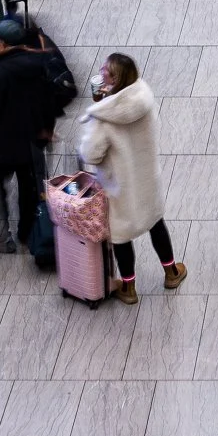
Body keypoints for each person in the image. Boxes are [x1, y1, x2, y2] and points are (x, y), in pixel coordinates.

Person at [77, 52, 185, 302]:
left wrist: (99, 107)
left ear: (115, 79)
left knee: (121, 235)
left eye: (106, 70)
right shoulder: (143, 97)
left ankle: (128, 287)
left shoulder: (104, 117)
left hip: (119, 184)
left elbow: (91, 154)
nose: (101, 70)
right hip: (146, 175)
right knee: (155, 221)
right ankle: (171, 271)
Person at [0, 19, 54, 252]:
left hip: (1, 141)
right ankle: (27, 230)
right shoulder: (36, 65)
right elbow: (47, 101)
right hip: (29, 139)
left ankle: (6, 234)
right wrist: (47, 128)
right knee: (28, 185)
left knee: (0, 189)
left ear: (2, 43)